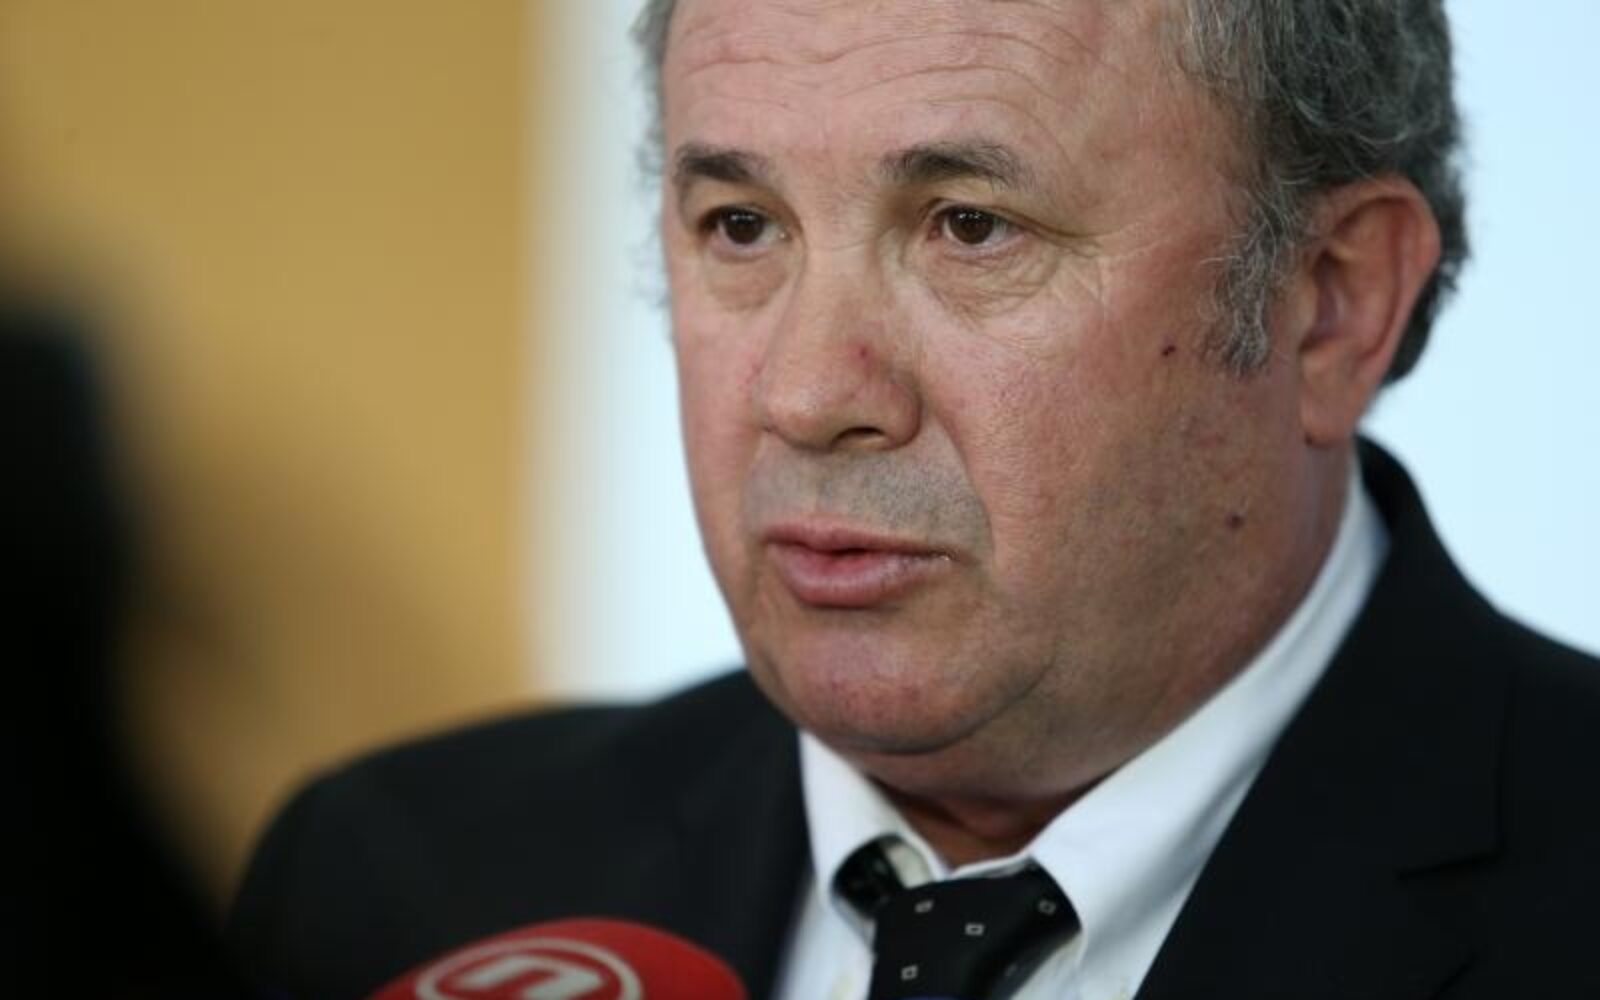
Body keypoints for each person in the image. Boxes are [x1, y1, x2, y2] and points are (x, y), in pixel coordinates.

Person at [227, 2, 1600, 998]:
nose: (808, 393)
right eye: (741, 226)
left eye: (969, 226)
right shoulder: (397, 882)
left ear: (1331, 303)